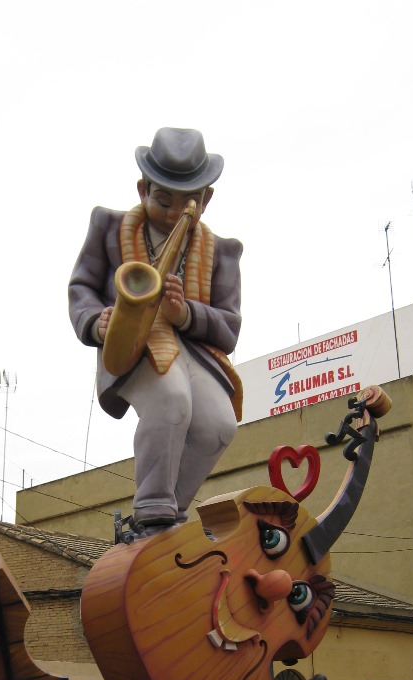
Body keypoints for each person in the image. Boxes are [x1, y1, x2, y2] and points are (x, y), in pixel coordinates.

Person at [68, 127, 243, 533]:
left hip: (195, 351)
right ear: (142, 189)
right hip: (136, 341)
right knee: (170, 398)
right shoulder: (109, 226)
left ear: (206, 199)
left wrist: (186, 314)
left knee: (219, 424)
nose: (172, 213)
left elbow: (230, 327)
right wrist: (95, 321)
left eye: (188, 203)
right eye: (163, 200)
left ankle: (171, 512)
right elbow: (82, 288)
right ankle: (152, 509)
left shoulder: (223, 251)